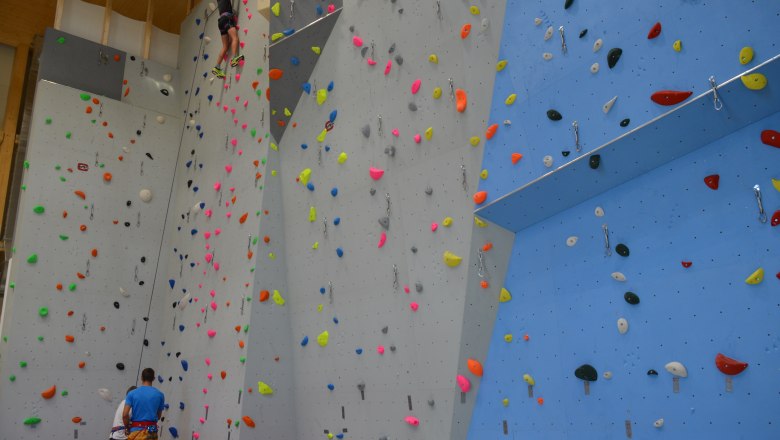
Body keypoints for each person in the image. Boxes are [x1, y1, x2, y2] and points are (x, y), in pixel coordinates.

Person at [122, 368, 165, 440]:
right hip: (151, 431)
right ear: (153, 379)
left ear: (141, 377)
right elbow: (159, 416)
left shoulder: (132, 393)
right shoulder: (160, 395)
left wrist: (127, 427)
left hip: (135, 431)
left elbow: (125, 415)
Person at [211, 0, 243, 79]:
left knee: (225, 46)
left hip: (221, 21)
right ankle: (234, 58)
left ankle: (217, 67)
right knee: (234, 37)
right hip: (227, 18)